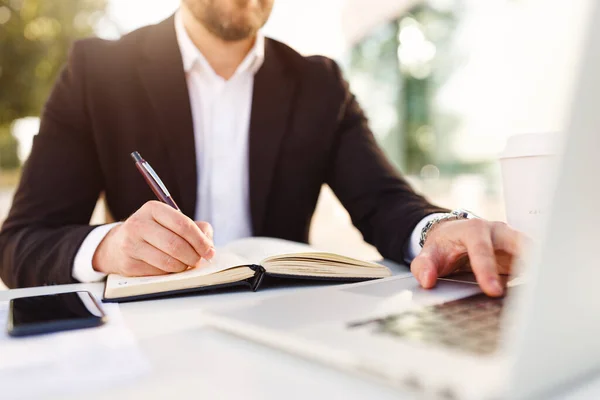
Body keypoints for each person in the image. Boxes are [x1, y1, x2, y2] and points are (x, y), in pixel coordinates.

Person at [0, 0, 524, 297]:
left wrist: (440, 229)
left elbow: (386, 202)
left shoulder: (320, 84)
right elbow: (20, 243)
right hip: (151, 337)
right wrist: (109, 247)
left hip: (286, 329)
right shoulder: (98, 73)